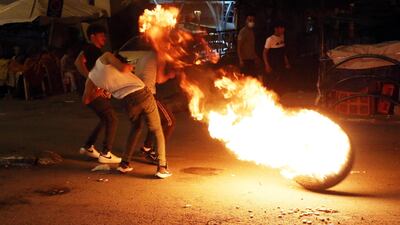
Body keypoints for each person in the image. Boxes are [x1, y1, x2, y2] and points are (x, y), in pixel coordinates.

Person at [88, 51, 172, 178]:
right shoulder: (107, 56)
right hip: (142, 94)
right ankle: (162, 167)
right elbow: (123, 67)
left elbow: (92, 97)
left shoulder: (94, 77)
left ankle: (124, 164)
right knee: (157, 129)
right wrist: (129, 66)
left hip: (126, 101)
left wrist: (104, 91)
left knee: (136, 127)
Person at [75, 24, 121, 164]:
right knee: (112, 118)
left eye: (104, 35)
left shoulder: (95, 50)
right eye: (101, 35)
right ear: (92, 37)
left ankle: (88, 146)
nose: (104, 38)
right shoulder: (91, 49)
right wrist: (91, 79)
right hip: (92, 91)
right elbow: (78, 62)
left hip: (95, 89)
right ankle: (106, 153)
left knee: (105, 118)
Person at [134, 51, 176, 164]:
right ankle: (157, 155)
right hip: (148, 94)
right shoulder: (159, 55)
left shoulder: (144, 55)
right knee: (169, 122)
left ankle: (146, 147)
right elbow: (159, 79)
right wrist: (170, 74)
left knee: (155, 121)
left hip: (136, 93)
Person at [263, 21, 291, 92]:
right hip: (273, 64)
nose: (283, 30)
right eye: (281, 28)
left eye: (283, 28)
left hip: (281, 64)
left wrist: (286, 62)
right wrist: (267, 65)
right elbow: (264, 53)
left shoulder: (282, 37)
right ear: (276, 29)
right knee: (273, 82)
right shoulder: (270, 39)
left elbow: (283, 52)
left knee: (281, 82)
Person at [237, 13, 260, 77]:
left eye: (253, 20)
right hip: (245, 60)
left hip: (251, 59)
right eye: (250, 20)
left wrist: (255, 57)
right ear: (246, 21)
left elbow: (251, 46)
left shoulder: (251, 31)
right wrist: (240, 60)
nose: (251, 22)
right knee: (245, 79)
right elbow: (239, 47)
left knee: (252, 78)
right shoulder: (243, 32)